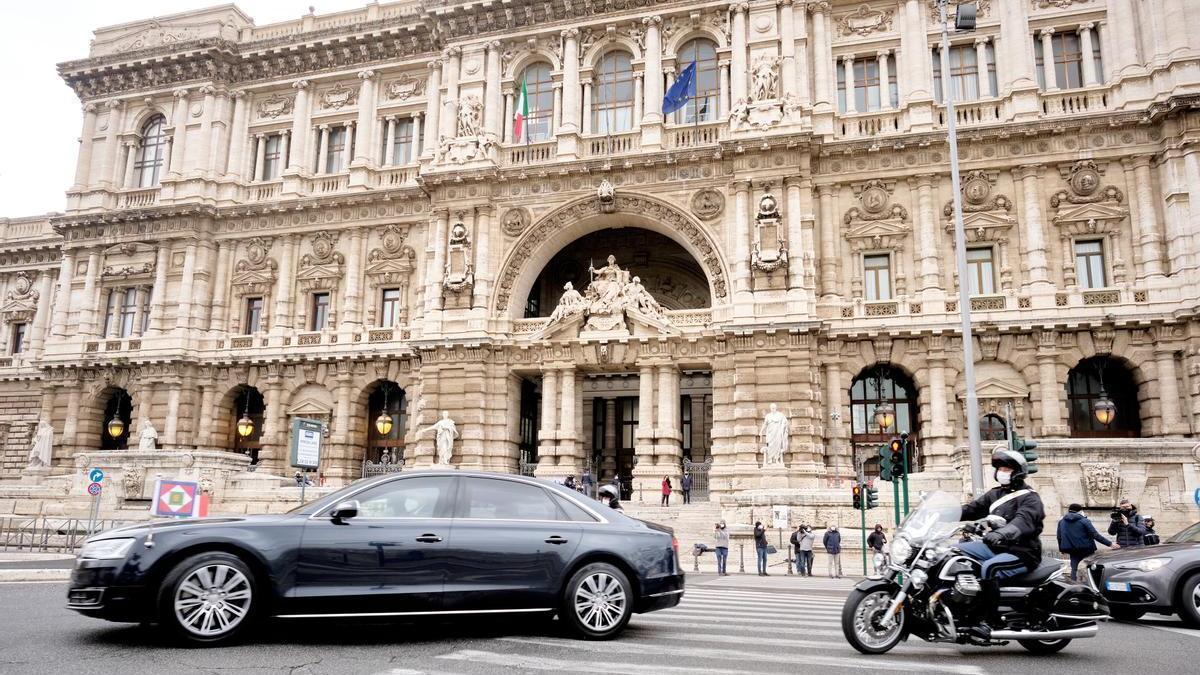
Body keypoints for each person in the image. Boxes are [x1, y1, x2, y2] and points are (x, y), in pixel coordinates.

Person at [957, 447, 1046, 638]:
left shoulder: (1030, 498)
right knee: (955, 552)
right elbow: (972, 509)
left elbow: (1023, 521)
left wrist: (1003, 533)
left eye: (1007, 469)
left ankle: (988, 621)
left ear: (1018, 473)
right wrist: (943, 512)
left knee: (990, 568)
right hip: (995, 547)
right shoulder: (995, 494)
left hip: (1022, 552)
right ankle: (962, 606)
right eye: (1000, 469)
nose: (1002, 473)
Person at [1057, 503, 1119, 581]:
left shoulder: (1062, 521)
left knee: (1074, 569)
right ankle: (1091, 585)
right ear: (1079, 511)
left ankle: (1074, 586)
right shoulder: (1084, 520)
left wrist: (1061, 549)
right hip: (1086, 549)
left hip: (1072, 549)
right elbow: (1095, 535)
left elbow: (1059, 537)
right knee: (1090, 568)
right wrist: (1110, 544)